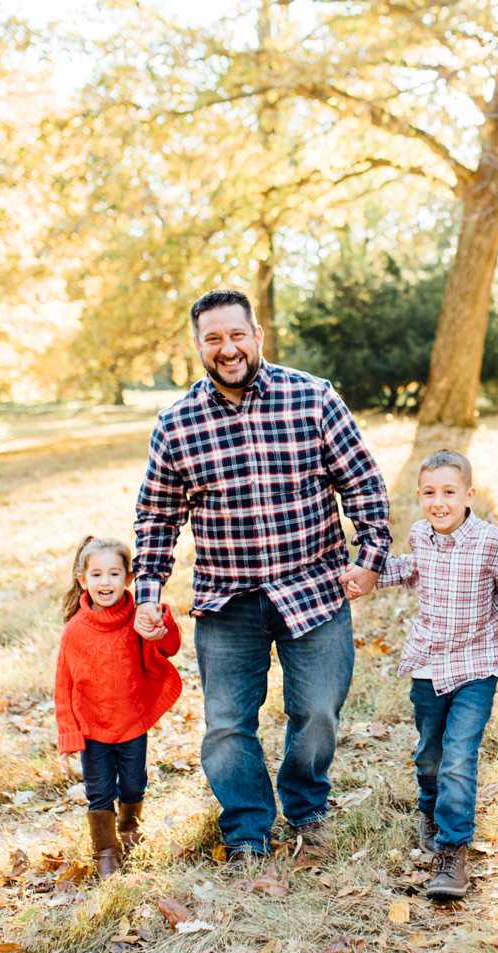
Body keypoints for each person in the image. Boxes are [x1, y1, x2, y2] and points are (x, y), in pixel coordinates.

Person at [133, 289, 391, 861]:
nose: (227, 349)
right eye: (213, 339)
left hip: (313, 588)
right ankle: (247, 828)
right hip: (228, 600)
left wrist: (369, 559)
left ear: (257, 336)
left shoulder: (312, 398)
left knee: (318, 712)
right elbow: (156, 516)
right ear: (198, 345)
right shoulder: (176, 424)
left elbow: (364, 484)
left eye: (237, 335)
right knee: (227, 725)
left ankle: (305, 809)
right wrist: (146, 593)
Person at [359, 449, 498, 900]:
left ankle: (453, 850)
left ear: (469, 494)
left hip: (476, 665)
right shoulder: (420, 534)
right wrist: (366, 574)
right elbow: (410, 570)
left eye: (448, 491)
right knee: (429, 754)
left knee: (459, 754)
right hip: (426, 664)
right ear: (418, 496)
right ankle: (430, 809)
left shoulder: (491, 541)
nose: (438, 501)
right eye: (429, 492)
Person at [54, 535, 183, 877]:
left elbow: (169, 645)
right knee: (99, 792)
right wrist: (68, 733)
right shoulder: (75, 631)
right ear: (83, 580)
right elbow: (63, 684)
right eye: (96, 575)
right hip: (92, 727)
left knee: (132, 785)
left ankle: (128, 832)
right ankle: (105, 854)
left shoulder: (136, 619)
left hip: (130, 722)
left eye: (114, 574)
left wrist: (160, 623)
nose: (105, 582)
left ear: (129, 578)